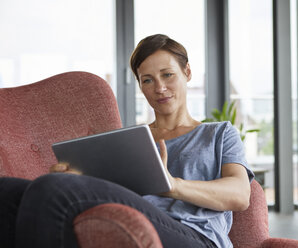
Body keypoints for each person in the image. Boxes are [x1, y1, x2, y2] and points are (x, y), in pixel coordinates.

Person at [0, 34, 254, 248]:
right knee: (8, 190)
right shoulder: (130, 141)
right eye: (148, 80)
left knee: (50, 188)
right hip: (133, 222)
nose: (160, 88)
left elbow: (240, 195)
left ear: (187, 72)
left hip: (198, 237)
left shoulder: (219, 133)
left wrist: (172, 185)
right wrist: (75, 178)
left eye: (167, 75)